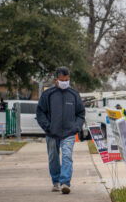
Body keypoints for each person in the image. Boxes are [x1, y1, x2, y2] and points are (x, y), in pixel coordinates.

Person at [36, 66, 85, 194]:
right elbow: (40, 112)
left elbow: (80, 113)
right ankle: (56, 182)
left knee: (67, 156)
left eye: (67, 79)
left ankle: (65, 183)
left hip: (68, 133)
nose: (65, 82)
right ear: (56, 80)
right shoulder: (48, 94)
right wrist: (48, 127)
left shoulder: (74, 94)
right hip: (52, 133)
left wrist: (76, 127)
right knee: (53, 158)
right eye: (62, 80)